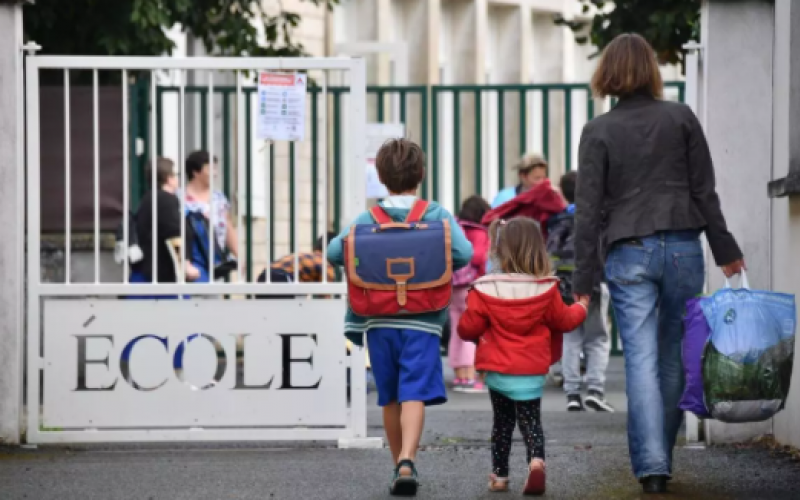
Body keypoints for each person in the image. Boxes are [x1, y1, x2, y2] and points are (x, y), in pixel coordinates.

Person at [573, 34, 745, 495]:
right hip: (685, 247)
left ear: (607, 73)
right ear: (651, 70)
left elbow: (587, 212)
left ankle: (652, 468)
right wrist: (726, 251)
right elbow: (703, 192)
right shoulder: (681, 118)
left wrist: (583, 281)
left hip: (630, 251)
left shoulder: (599, 131)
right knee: (673, 358)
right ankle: (660, 457)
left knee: (641, 360)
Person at [327, 138, 473, 496]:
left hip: (377, 318)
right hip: (422, 317)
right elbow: (464, 253)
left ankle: (399, 466)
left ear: (380, 176)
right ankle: (409, 459)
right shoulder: (435, 214)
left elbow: (335, 251)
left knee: (389, 395)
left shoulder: (367, 218)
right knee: (415, 392)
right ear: (421, 175)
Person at [458, 217, 588, 496]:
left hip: (498, 368)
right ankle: (537, 461)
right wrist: (581, 306)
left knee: (502, 423)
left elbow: (469, 328)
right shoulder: (546, 288)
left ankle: (500, 476)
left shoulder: (485, 288)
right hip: (531, 369)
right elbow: (564, 320)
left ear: (500, 249)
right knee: (531, 421)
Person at [547, 171, 613, 412]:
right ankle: (595, 389)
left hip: (565, 288)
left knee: (571, 339)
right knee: (597, 337)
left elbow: (550, 256)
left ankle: (572, 393)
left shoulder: (558, 222)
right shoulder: (599, 218)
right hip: (595, 284)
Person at [130, 157, 199, 285]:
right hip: (161, 278)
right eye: (176, 175)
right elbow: (173, 234)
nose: (178, 179)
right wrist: (185, 265)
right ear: (169, 178)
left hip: (146, 274)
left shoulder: (149, 198)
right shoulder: (166, 200)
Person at [449, 195, 491, 393]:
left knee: (457, 329)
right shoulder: (478, 232)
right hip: (470, 285)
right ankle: (469, 374)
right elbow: (480, 256)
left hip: (451, 284)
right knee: (471, 330)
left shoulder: (455, 228)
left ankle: (458, 374)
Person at [179, 151, 239, 259]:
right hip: (189, 260)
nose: (215, 173)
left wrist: (238, 254)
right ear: (195, 172)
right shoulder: (178, 198)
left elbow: (228, 227)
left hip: (215, 262)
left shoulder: (219, 197)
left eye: (215, 169)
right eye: (210, 169)